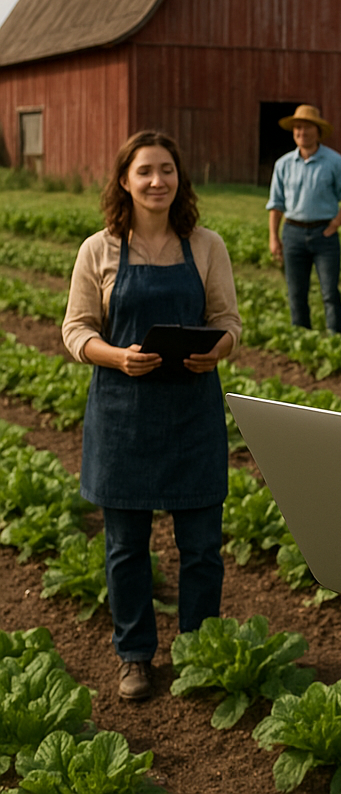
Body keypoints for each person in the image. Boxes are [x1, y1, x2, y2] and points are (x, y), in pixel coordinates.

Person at [62, 131, 241, 702]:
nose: (157, 181)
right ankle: (135, 655)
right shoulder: (99, 250)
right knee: (125, 549)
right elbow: (75, 330)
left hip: (192, 413)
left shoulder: (207, 245)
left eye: (167, 170)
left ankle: (196, 652)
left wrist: (217, 351)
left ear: (179, 179)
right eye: (145, 172)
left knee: (202, 548)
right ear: (125, 181)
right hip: (122, 417)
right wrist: (116, 356)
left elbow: (229, 321)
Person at [266, 104, 341, 335]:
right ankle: (302, 337)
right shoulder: (283, 164)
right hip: (293, 234)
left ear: (317, 132)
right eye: (297, 128)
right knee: (296, 292)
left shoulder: (334, 161)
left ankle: (335, 337)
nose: (301, 133)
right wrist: (273, 238)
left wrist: (335, 223)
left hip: (323, 234)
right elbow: (276, 205)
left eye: (307, 128)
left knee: (329, 292)